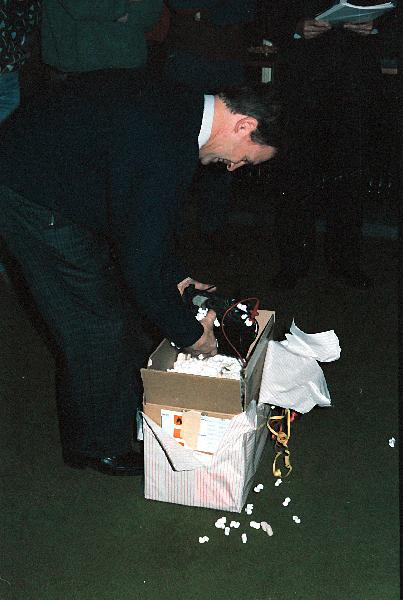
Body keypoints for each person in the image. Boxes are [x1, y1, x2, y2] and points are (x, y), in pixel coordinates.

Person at [0, 82, 284, 476]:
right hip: (30, 192)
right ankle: (98, 447)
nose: (233, 167)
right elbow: (141, 263)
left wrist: (177, 276)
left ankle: (116, 415)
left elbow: (144, 223)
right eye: (246, 159)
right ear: (244, 126)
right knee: (97, 324)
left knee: (107, 307)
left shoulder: (182, 111)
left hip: (59, 176)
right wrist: (191, 334)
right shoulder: (167, 145)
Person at [266, 0, 386, 289]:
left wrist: (374, 26)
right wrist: (296, 27)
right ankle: (293, 263)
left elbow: (391, 16)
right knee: (296, 180)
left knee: (349, 183)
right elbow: (267, 13)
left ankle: (346, 262)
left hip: (353, 90)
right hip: (303, 90)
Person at [41, 0, 163, 96]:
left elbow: (152, 11)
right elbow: (82, 6)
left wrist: (123, 14)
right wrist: (125, 6)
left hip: (130, 64)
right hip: (80, 67)